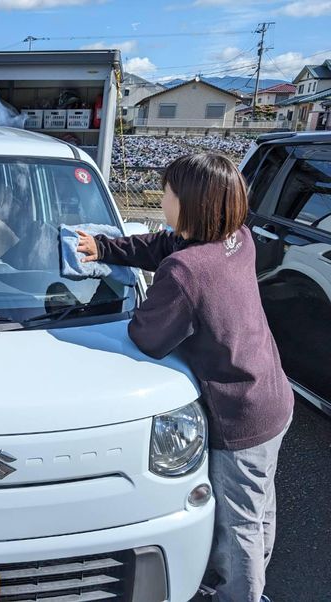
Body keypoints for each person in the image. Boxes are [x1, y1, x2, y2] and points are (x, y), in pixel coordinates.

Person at [77, 153, 293, 602]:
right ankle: (248, 582)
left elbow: (148, 337)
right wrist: (107, 246)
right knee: (259, 505)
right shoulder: (238, 238)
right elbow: (165, 245)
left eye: (168, 192)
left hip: (241, 415)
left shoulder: (186, 272)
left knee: (240, 528)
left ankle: (241, 595)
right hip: (273, 394)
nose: (162, 199)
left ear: (190, 203)